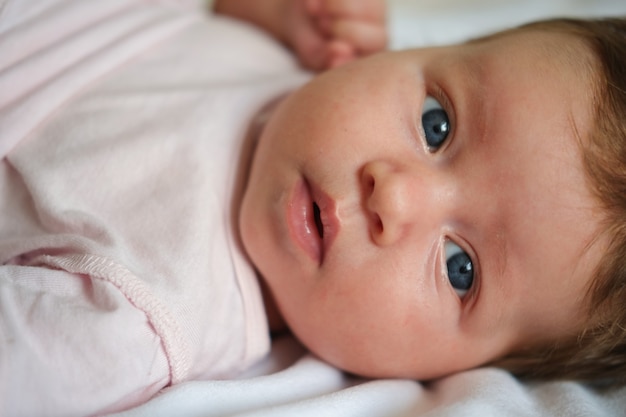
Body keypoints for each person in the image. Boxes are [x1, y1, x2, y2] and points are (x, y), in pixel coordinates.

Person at [0, 1, 624, 416]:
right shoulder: (291, 58)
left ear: (454, 369)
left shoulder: (134, 321)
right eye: (437, 123)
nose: (396, 196)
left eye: (461, 268)